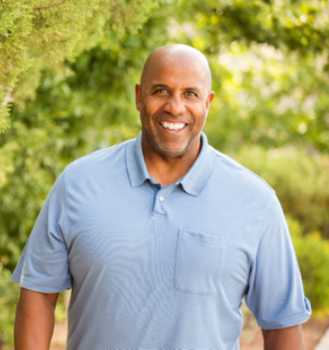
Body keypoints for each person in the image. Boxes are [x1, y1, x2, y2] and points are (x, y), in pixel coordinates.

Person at [12, 44, 311, 350]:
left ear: (207, 102)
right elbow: (38, 293)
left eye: (190, 94)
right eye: (161, 91)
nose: (175, 107)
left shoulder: (255, 201)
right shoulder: (77, 183)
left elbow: (283, 326)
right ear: (139, 96)